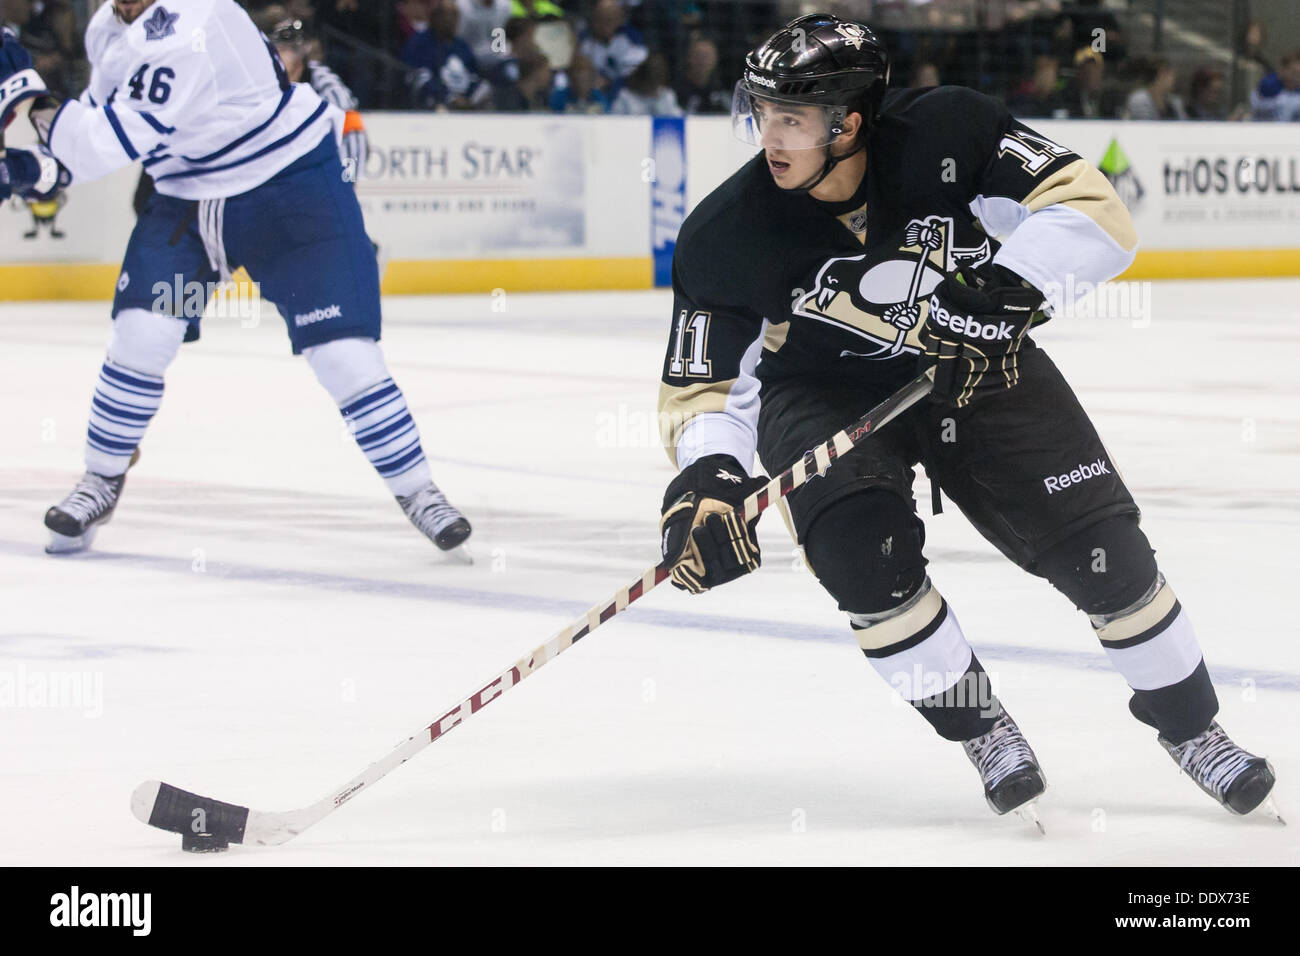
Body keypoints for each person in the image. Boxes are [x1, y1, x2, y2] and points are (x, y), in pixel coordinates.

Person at [655, 14, 1277, 822]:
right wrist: (708, 475)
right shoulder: (724, 235)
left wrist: (1006, 291)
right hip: (820, 392)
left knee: (1105, 554)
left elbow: (1091, 208)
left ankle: (1193, 730)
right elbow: (702, 387)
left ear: (849, 123)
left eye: (792, 119)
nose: (770, 138)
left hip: (979, 363)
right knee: (860, 563)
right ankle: (980, 728)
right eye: (762, 113)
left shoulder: (948, 129)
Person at [0, 5, 472, 556]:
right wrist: (31, 167)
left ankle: (418, 491)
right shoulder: (107, 26)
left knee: (343, 355)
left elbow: (104, 141)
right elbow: (98, 129)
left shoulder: (193, 18)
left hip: (289, 189)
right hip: (186, 198)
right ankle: (100, 480)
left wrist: (25, 97)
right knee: (141, 334)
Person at [1123, 56, 1185, 120]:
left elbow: (1185, 125)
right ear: (1162, 74)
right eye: (1172, 75)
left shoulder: (1175, 102)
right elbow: (1145, 125)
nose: (1174, 79)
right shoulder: (1139, 99)